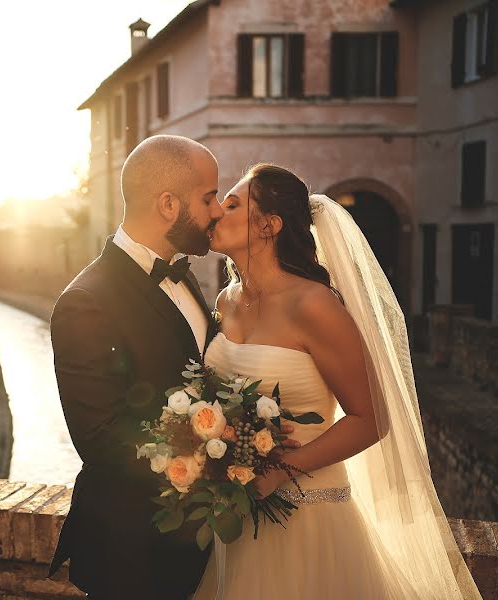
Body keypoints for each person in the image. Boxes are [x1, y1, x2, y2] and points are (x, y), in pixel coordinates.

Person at [192, 164, 481, 599]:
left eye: (232, 205)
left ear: (269, 225)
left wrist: (279, 471)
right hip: (236, 514)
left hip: (307, 514)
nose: (216, 213)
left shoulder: (315, 305)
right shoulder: (226, 300)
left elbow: (371, 419)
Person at [47, 137, 299, 599]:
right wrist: (223, 462)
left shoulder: (189, 279)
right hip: (135, 554)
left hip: (205, 548)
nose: (217, 211)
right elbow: (101, 439)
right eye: (207, 198)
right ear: (168, 205)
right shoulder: (86, 301)